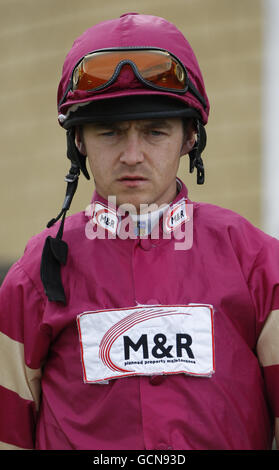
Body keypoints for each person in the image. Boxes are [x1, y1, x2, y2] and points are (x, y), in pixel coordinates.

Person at [0, 12, 278, 451]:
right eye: (109, 132)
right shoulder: (34, 275)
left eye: (154, 131)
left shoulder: (259, 263)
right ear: (79, 143)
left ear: (190, 137)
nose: (132, 155)